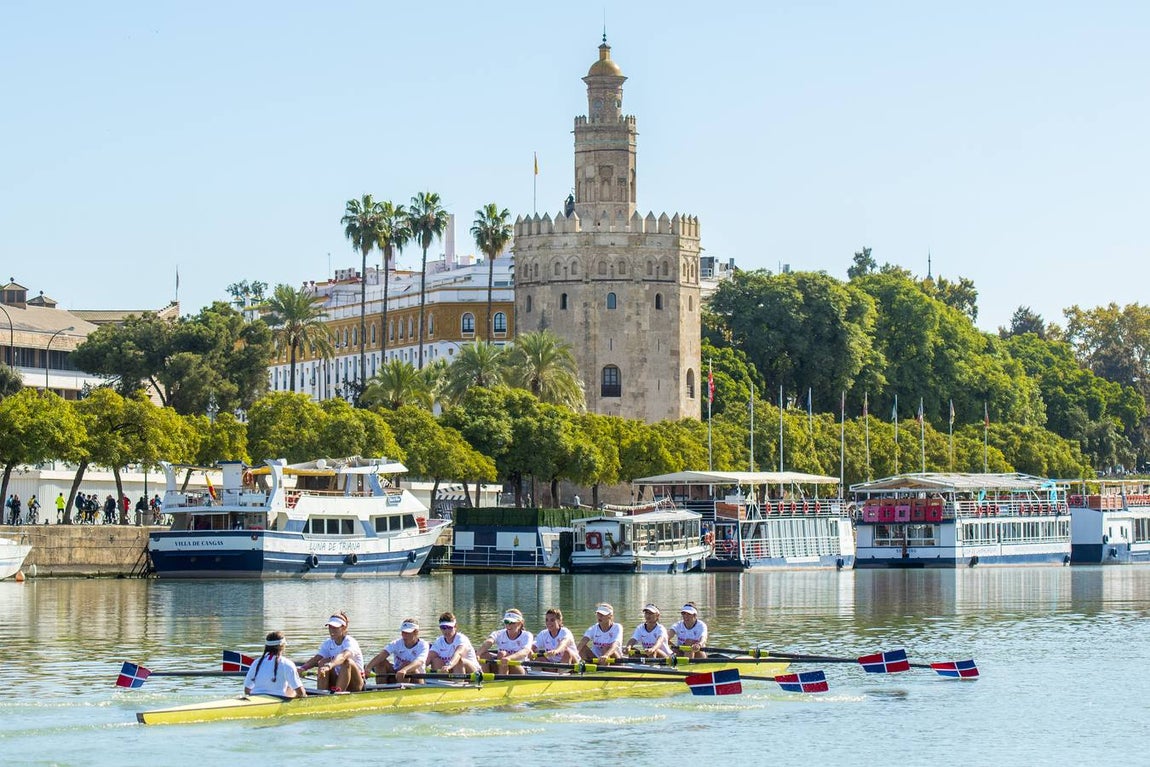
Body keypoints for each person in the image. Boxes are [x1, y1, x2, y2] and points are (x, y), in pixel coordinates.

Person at [297, 612, 366, 692]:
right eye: (330, 627)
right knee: (323, 661)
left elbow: (343, 656)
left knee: (347, 662)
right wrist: (302, 668)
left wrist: (329, 666)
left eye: (335, 627)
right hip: (338, 680)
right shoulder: (328, 643)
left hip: (356, 684)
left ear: (344, 628)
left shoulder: (350, 642)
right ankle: (321, 694)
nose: (332, 630)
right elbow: (316, 658)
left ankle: (338, 693)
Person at [243, 630, 306, 698]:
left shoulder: (256, 662)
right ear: (283, 646)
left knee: (290, 687)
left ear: (266, 646)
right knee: (292, 688)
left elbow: (247, 690)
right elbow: (301, 693)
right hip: (277, 701)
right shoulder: (287, 664)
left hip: (255, 698)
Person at [366, 619, 429, 684]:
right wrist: (368, 667)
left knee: (407, 664)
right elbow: (382, 655)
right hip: (397, 675)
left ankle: (401, 690)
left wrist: (404, 670)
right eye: (403, 632)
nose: (404, 635)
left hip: (417, 679)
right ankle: (380, 689)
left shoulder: (423, 645)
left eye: (407, 633)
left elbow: (419, 662)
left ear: (416, 632)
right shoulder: (396, 643)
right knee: (381, 662)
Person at [477, 609, 534, 675]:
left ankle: (502, 681)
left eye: (512, 622)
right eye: (506, 622)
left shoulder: (527, 635)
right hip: (502, 665)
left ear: (520, 623)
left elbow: (525, 651)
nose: (508, 625)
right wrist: (478, 654)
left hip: (520, 669)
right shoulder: (499, 633)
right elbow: (489, 642)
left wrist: (509, 658)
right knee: (483, 654)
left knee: (502, 654)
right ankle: (485, 680)